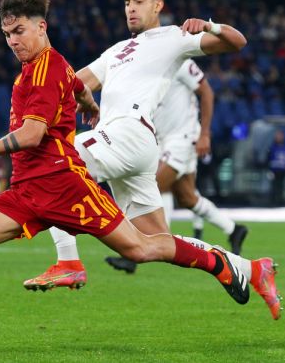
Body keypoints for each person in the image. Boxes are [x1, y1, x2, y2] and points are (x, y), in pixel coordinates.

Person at [0, 0, 253, 358]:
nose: (13, 41)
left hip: (65, 187)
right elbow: (77, 85)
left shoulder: (47, 69)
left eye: (20, 31)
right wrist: (90, 104)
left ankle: (217, 262)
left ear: (41, 27)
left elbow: (32, 135)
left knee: (140, 247)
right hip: (27, 191)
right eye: (8, 34)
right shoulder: (58, 65)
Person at [24, 0, 278, 320]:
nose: (131, 8)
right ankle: (250, 268)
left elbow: (237, 41)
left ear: (157, 5)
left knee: (54, 162)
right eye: (127, 1)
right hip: (131, 146)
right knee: (148, 243)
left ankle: (68, 260)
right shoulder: (116, 51)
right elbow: (74, 83)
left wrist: (209, 25)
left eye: (139, 1)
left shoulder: (172, 37)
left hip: (129, 132)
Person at [106, 58, 249, 279]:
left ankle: (137, 251)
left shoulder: (180, 61)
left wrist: (205, 134)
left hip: (183, 138)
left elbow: (207, 93)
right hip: (165, 140)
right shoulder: (147, 66)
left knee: (150, 187)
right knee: (187, 198)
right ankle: (233, 229)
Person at [268, 130, 285, 206]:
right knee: (274, 186)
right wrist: (269, 169)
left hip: (283, 170)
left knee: (281, 186)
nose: (279, 137)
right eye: (277, 136)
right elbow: (269, 158)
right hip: (274, 170)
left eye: (280, 136)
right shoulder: (272, 147)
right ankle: (273, 201)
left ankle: (281, 201)